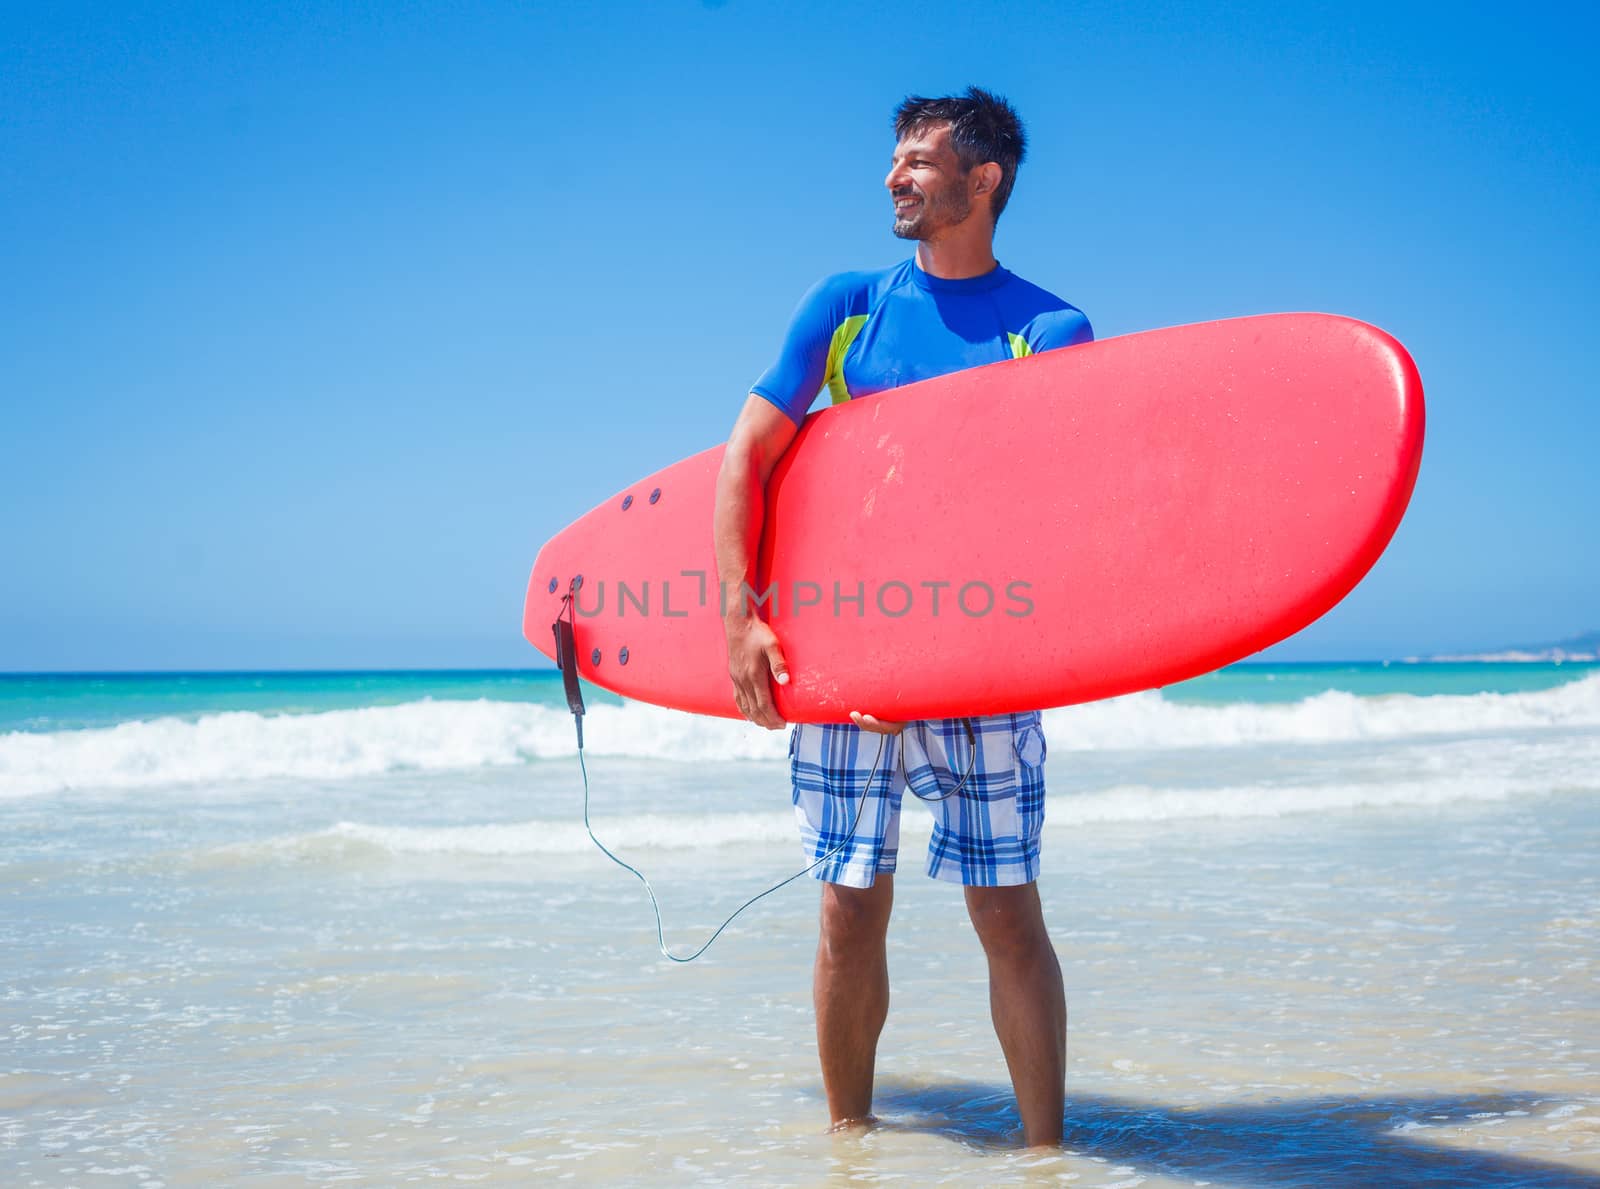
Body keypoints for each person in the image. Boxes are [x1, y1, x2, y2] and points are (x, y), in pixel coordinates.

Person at [711, 87, 1092, 1148]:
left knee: (1006, 913)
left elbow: (1043, 522)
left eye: (921, 160)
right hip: (848, 665)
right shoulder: (846, 306)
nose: (894, 175)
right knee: (846, 905)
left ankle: (1047, 1158)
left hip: (982, 667)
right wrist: (742, 622)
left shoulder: (1048, 330)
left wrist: (939, 661)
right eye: (895, 158)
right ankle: (849, 1146)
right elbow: (748, 455)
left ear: (985, 181)